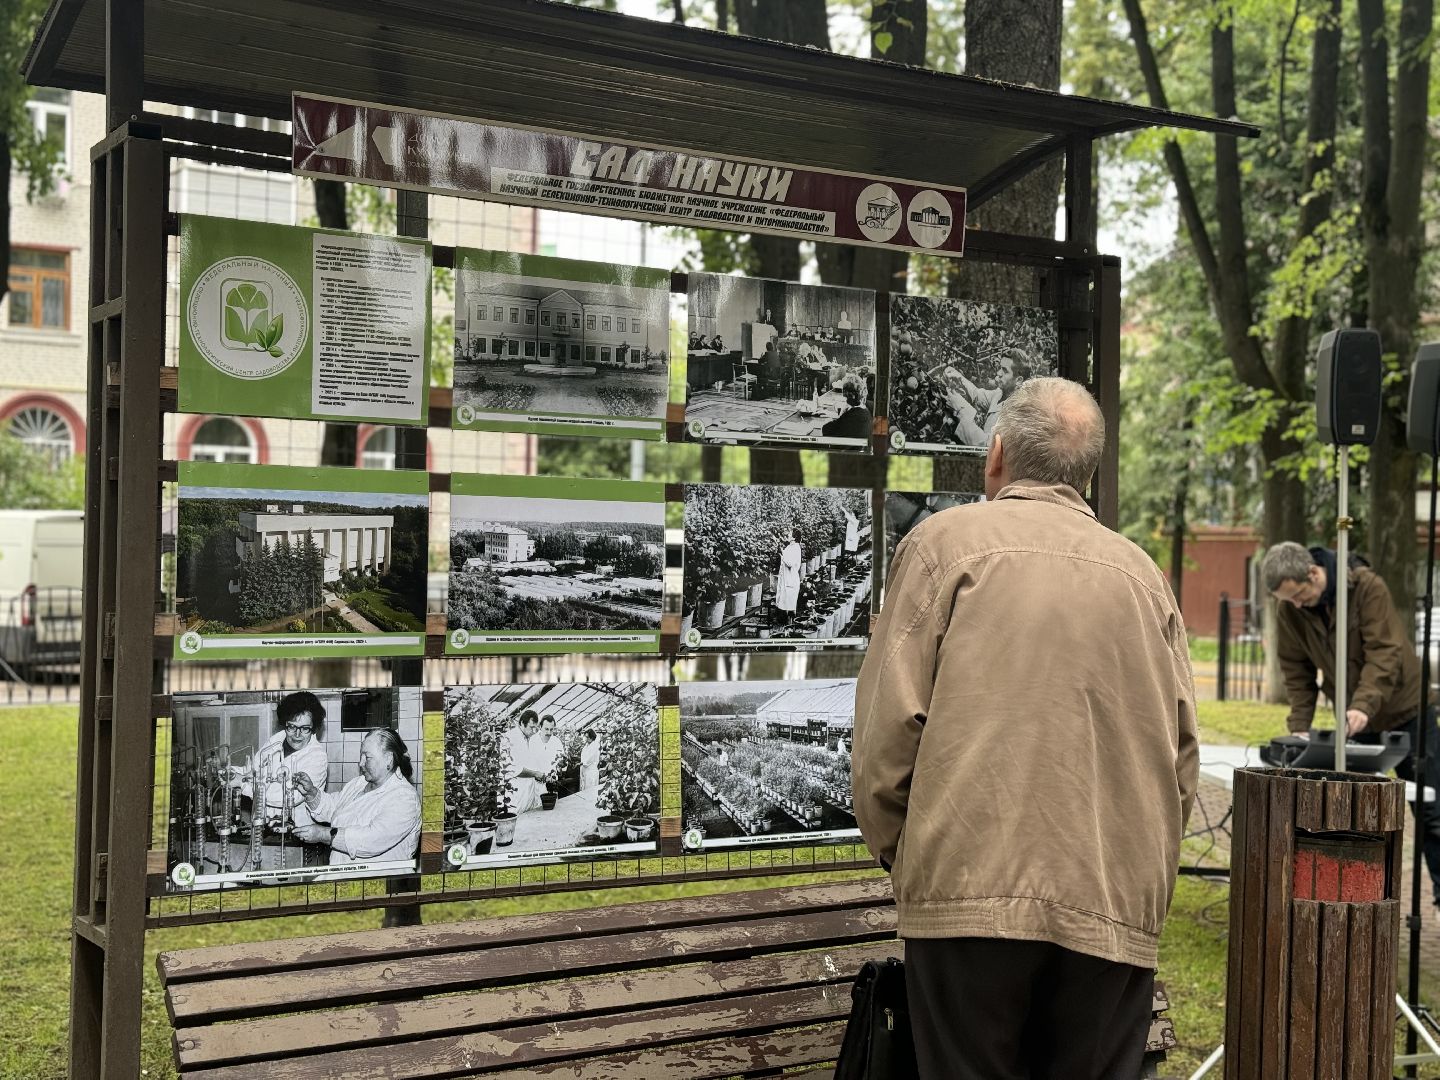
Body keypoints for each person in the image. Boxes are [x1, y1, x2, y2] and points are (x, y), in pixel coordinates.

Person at [853, 377, 1198, 1080]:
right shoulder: (1143, 578)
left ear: (996, 453)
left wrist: (910, 856)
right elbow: (1182, 759)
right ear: (1087, 472)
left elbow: (887, 736)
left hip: (968, 893)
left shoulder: (941, 547)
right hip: (1111, 901)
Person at [1261, 541, 1440, 901]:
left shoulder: (1366, 588)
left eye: (1299, 595)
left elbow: (1384, 652)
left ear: (1313, 573)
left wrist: (1362, 704)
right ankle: (1365, 899)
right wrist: (1300, 724)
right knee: (1363, 811)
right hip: (1357, 720)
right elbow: (1296, 670)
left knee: (1431, 808)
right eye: (1288, 600)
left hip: (1407, 712)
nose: (1297, 605)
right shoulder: (1291, 610)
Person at [292, 728, 420, 866]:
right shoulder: (359, 783)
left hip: (381, 877)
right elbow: (335, 808)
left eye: (367, 757)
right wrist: (311, 793)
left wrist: (323, 835)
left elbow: (371, 840)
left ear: (388, 758)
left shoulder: (404, 798)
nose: (361, 763)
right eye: (361, 756)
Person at [231, 691, 329, 830]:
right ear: (285, 723)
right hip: (262, 827)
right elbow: (253, 771)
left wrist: (242, 784)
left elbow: (287, 797)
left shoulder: (317, 757)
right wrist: (231, 772)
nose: (297, 734)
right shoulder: (276, 740)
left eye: (305, 728)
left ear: (313, 729)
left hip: (296, 832)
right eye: (292, 726)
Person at [944, 347, 1032, 447]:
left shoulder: (1017, 412)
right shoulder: (1000, 394)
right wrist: (959, 377)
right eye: (1000, 368)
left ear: (1019, 380)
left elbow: (987, 446)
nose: (998, 373)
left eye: (1005, 371)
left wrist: (959, 409)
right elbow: (977, 395)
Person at [505, 710, 547, 814]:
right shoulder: (511, 738)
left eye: (535, 728)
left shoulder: (528, 738)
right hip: (517, 791)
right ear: (522, 723)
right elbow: (515, 769)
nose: (533, 731)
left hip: (528, 791)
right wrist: (535, 774)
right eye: (531, 727)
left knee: (528, 816)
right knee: (517, 816)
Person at [820, 375, 872, 439]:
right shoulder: (865, 410)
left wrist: (828, 419)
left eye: (844, 393)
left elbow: (826, 430)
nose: (844, 396)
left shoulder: (852, 415)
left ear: (850, 395)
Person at [773, 527, 803, 626]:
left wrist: (782, 554)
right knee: (786, 602)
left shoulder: (796, 548)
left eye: (790, 534)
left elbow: (790, 563)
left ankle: (791, 626)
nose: (788, 535)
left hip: (791, 579)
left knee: (790, 604)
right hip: (787, 578)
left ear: (794, 538)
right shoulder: (790, 547)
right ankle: (786, 625)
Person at [579, 730, 601, 799]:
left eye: (587, 737)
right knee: (584, 792)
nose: (586, 738)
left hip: (591, 772)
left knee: (590, 792)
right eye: (585, 737)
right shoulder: (586, 746)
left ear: (592, 737)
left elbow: (589, 759)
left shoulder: (595, 746)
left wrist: (581, 763)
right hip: (585, 771)